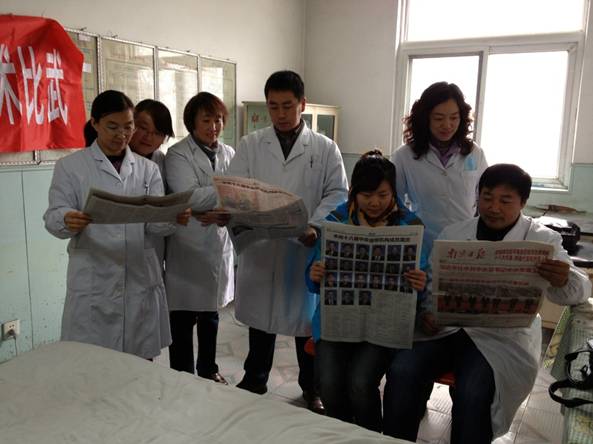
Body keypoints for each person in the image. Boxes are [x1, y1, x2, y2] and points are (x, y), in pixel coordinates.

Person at [383, 164, 591, 443]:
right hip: (447, 330)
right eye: (487, 197)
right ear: (477, 196)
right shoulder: (455, 233)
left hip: (501, 338)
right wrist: (428, 314)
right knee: (402, 372)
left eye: (505, 200)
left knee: (473, 392)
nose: (494, 207)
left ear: (523, 202)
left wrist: (564, 279)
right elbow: (433, 286)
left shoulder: (542, 239)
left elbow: (579, 292)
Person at [205, 70, 348, 413]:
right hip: (262, 247)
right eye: (273, 106)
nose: (280, 114)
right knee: (262, 322)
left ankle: (311, 388)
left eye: (287, 106)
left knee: (305, 325)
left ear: (302, 104)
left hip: (303, 247)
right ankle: (255, 378)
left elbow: (338, 193)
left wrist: (314, 225)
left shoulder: (325, 148)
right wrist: (232, 211)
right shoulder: (252, 144)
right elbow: (235, 188)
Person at [43, 90, 190, 360]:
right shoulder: (71, 166)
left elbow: (154, 228)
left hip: (138, 277)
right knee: (93, 364)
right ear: (95, 123)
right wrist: (66, 218)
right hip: (95, 278)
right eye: (112, 126)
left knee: (140, 364)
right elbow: (53, 215)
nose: (121, 135)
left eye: (128, 126)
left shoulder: (148, 170)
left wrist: (171, 217)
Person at [306, 150, 428, 432]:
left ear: (393, 192)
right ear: (353, 192)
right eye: (366, 194)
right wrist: (314, 275)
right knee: (328, 383)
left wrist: (419, 284)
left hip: (382, 325)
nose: (375, 202)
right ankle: (342, 433)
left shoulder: (410, 226)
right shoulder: (336, 221)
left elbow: (420, 284)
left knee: (360, 383)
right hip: (337, 321)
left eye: (383, 195)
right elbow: (313, 278)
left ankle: (370, 435)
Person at [163, 92, 235, 383]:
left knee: (210, 314)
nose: (213, 127)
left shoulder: (229, 153)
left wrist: (219, 208)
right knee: (182, 317)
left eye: (218, 120)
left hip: (217, 242)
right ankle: (182, 375)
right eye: (206, 120)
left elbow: (239, 197)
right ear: (192, 122)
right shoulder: (178, 154)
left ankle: (208, 369)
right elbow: (187, 196)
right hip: (187, 245)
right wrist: (227, 193)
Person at [392, 82, 488, 252]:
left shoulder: (474, 152)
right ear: (425, 118)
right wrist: (411, 226)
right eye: (438, 118)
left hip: (467, 242)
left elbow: (484, 196)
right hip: (424, 241)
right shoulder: (404, 155)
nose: (447, 125)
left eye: (454, 118)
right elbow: (394, 201)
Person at [128, 99, 175, 264]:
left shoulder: (162, 161)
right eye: (143, 128)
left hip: (153, 248)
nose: (148, 137)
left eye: (157, 133)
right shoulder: (114, 159)